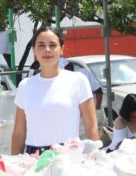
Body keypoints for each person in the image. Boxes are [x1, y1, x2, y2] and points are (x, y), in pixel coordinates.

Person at [11, 26, 99, 155]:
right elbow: (19, 133)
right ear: (34, 51)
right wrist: (14, 163)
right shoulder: (25, 86)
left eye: (52, 45)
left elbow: (91, 128)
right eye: (41, 45)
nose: (47, 50)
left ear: (62, 49)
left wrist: (94, 159)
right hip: (33, 159)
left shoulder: (78, 80)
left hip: (69, 158)